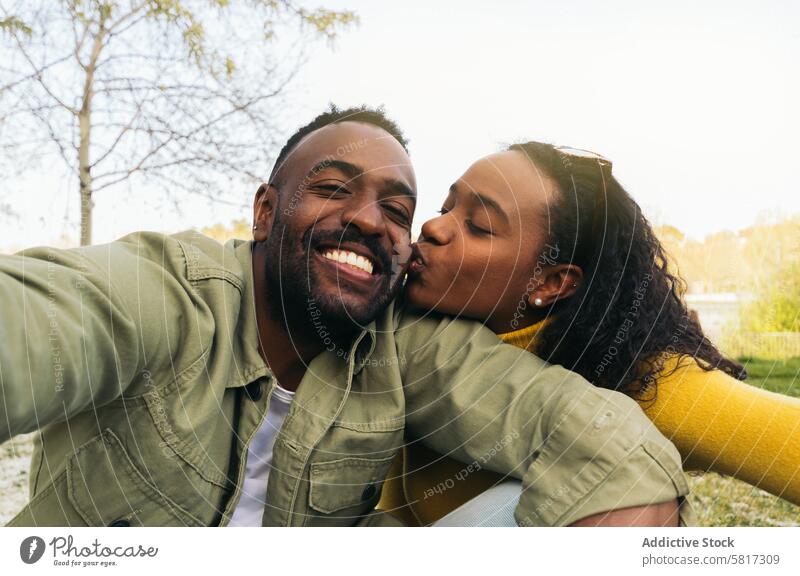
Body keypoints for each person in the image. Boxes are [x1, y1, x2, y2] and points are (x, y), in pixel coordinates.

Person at [1, 108, 688, 527]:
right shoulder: (170, 292)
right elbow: (45, 317)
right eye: (332, 189)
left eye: (397, 210)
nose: (369, 218)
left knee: (525, 505)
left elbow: (569, 422)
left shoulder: (403, 341)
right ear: (265, 211)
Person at [377, 141, 800, 526]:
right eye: (446, 207)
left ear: (551, 282)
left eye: (480, 225)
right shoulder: (399, 324)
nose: (433, 229)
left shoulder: (642, 378)